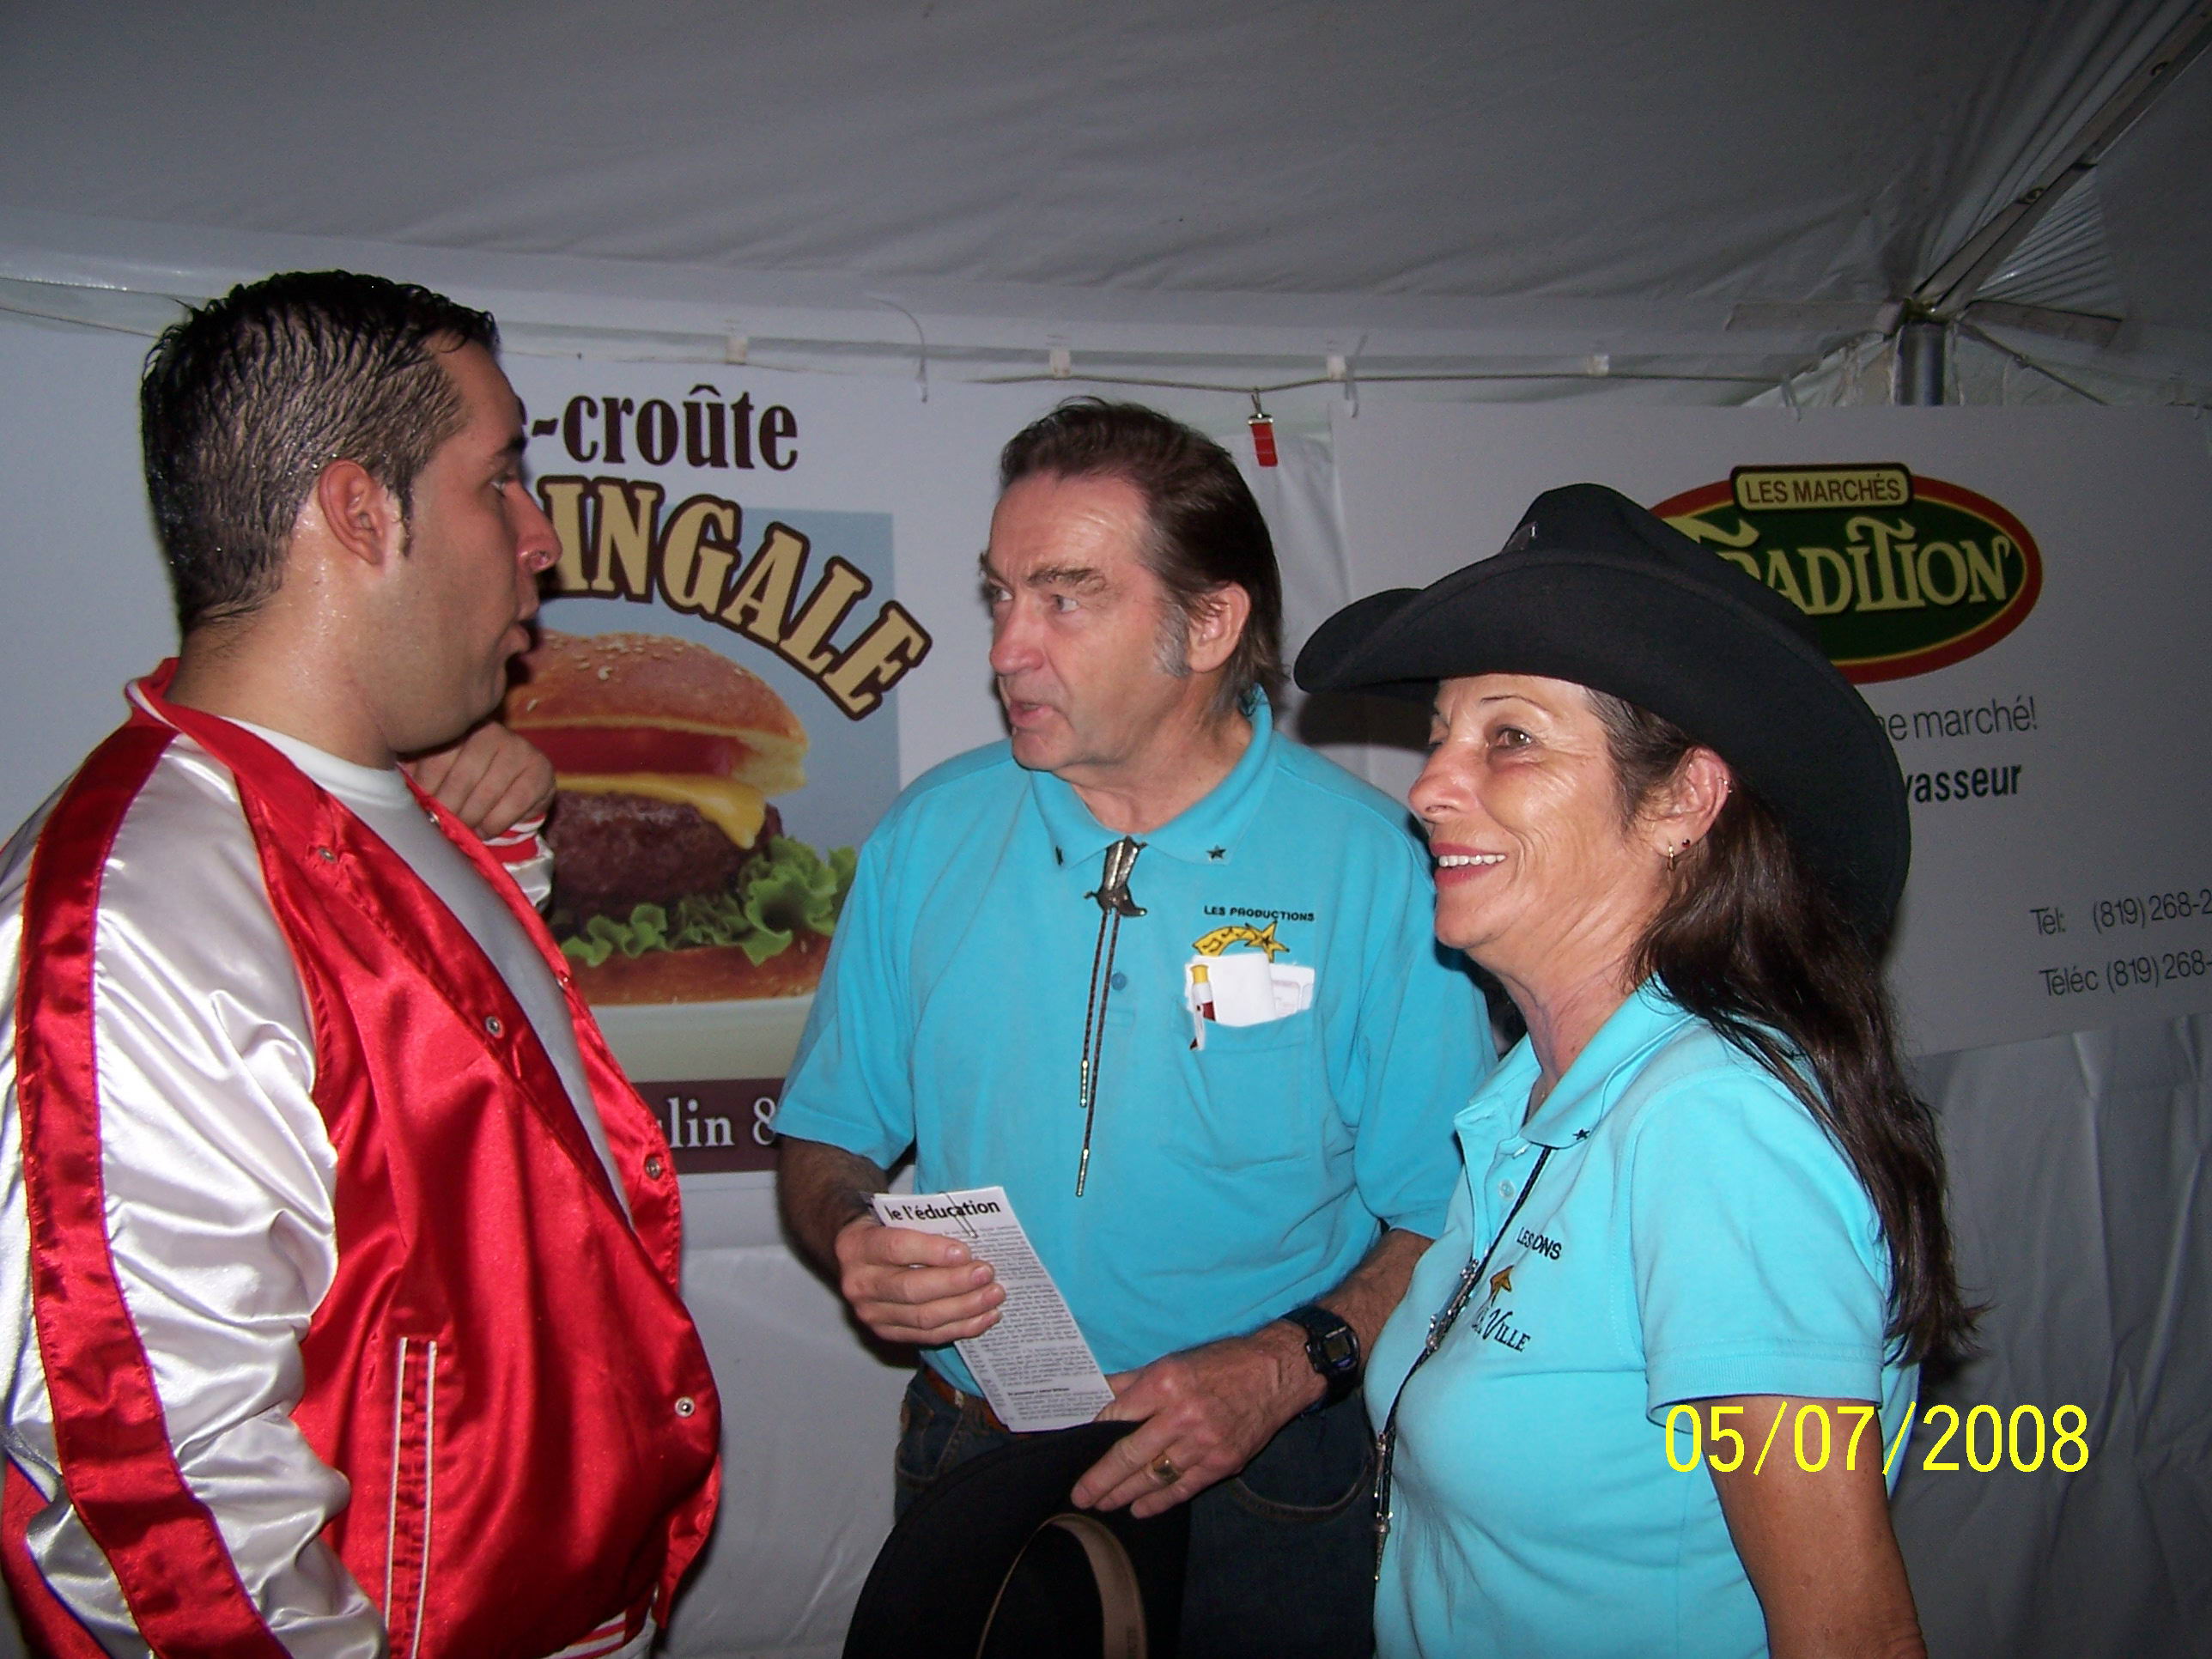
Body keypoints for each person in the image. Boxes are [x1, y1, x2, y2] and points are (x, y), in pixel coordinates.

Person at [0, 271, 720, 1657]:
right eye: (498, 480)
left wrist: (496, 852)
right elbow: (161, 1491)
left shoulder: (394, 814)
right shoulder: (140, 908)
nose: (540, 536)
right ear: (359, 512)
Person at [776, 399, 1486, 1656]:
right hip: (978, 1439)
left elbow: (1453, 1220)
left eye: (1065, 599)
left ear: (1208, 624)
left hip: (1260, 1463)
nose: (1007, 648)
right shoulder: (928, 836)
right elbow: (826, 1136)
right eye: (1002, 595)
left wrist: (1283, 1367)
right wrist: (847, 1235)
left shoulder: (1376, 865)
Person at [1294, 482, 1975, 1659]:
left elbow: (1849, 1632)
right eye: (1441, 734)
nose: (1429, 785)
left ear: (1683, 800)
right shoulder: (1536, 1104)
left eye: (1509, 738)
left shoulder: (1716, 1125)